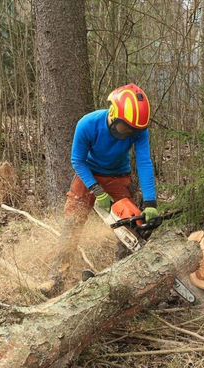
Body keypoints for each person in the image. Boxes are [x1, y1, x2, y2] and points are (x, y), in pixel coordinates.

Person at [47, 83, 159, 293]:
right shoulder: (88, 124)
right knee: (73, 222)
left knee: (131, 222)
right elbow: (77, 160)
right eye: (125, 128)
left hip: (118, 176)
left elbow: (144, 162)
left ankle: (122, 277)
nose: (128, 134)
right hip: (88, 174)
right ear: (113, 114)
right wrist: (96, 190)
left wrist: (151, 202)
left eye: (133, 130)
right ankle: (56, 279)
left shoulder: (139, 131)